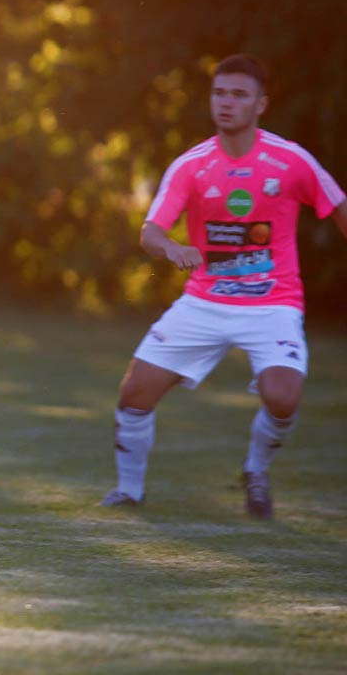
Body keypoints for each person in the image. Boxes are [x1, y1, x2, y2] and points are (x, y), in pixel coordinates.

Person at [102, 54, 345, 517]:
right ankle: (128, 491)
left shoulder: (290, 160)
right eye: (219, 93)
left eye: (238, 95)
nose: (226, 103)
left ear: (261, 104)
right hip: (204, 302)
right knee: (134, 393)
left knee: (282, 396)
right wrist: (170, 248)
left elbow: (337, 205)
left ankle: (255, 470)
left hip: (274, 303)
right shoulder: (191, 166)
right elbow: (150, 231)